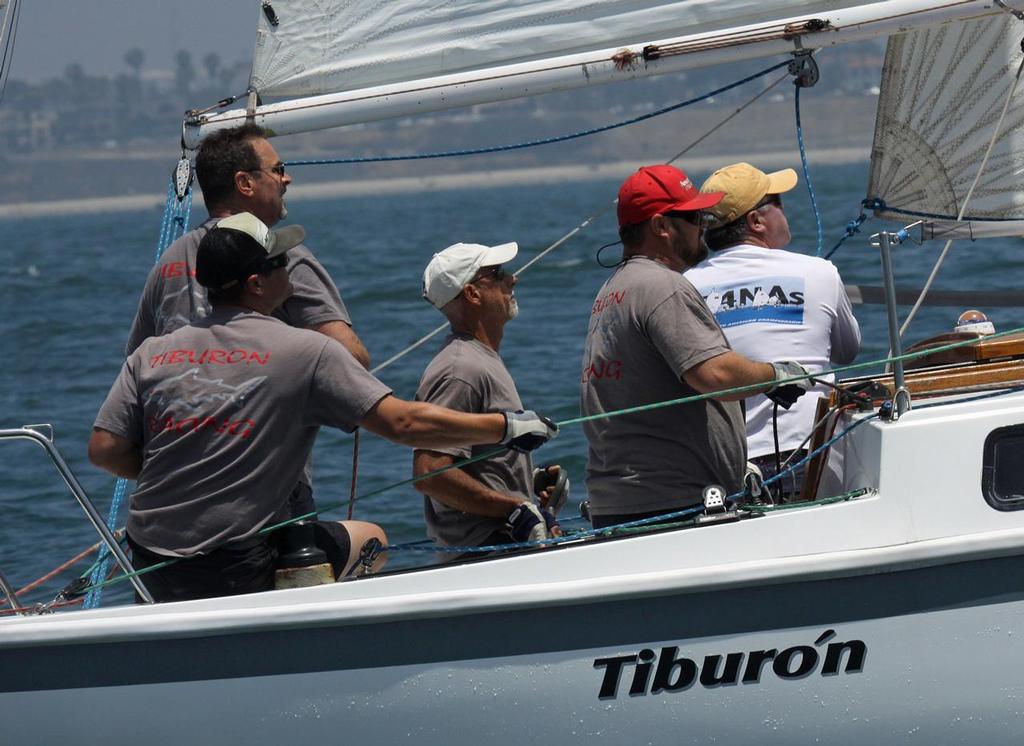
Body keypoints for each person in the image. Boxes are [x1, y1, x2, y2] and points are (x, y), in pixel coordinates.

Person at [89, 215, 557, 602]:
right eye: (280, 262)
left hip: (150, 565)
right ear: (257, 283)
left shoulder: (154, 352)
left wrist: (190, 474)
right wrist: (507, 427)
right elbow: (404, 422)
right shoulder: (305, 350)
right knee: (371, 539)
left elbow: (105, 450)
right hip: (234, 566)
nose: (290, 269)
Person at [125, 123, 369, 520]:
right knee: (367, 543)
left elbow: (135, 377)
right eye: (277, 169)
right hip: (265, 491)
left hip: (174, 496)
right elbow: (352, 362)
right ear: (245, 183)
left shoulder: (166, 265)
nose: (287, 178)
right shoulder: (282, 260)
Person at [580, 164, 811, 529]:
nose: (703, 224)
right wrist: (775, 376)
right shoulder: (662, 287)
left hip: (626, 502)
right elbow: (714, 373)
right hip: (671, 505)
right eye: (691, 216)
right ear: (660, 226)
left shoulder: (613, 290)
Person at [686, 162, 860, 495]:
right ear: (756, 221)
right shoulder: (819, 272)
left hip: (727, 472)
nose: (785, 211)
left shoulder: (685, 287)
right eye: (778, 202)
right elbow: (847, 352)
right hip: (815, 453)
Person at [413, 242, 568, 557]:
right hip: (484, 553)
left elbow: (474, 460)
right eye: (498, 274)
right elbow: (431, 473)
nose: (513, 279)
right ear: (472, 294)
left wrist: (525, 485)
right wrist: (512, 508)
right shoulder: (461, 369)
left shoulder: (478, 359)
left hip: (497, 546)